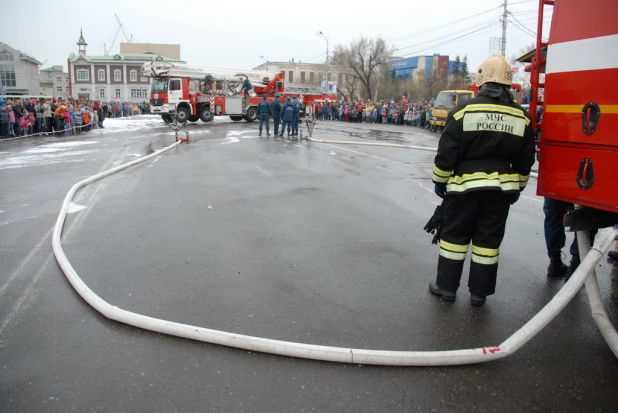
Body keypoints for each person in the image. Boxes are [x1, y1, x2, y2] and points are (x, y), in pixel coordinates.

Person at [428, 54, 536, 307]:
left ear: (480, 81)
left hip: (463, 189)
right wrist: (518, 186)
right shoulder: (522, 116)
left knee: (454, 238)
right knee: (488, 243)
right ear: (508, 84)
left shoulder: (462, 112)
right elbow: (525, 159)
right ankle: (479, 294)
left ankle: (446, 289)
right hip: (500, 191)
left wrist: (440, 181)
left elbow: (446, 154)